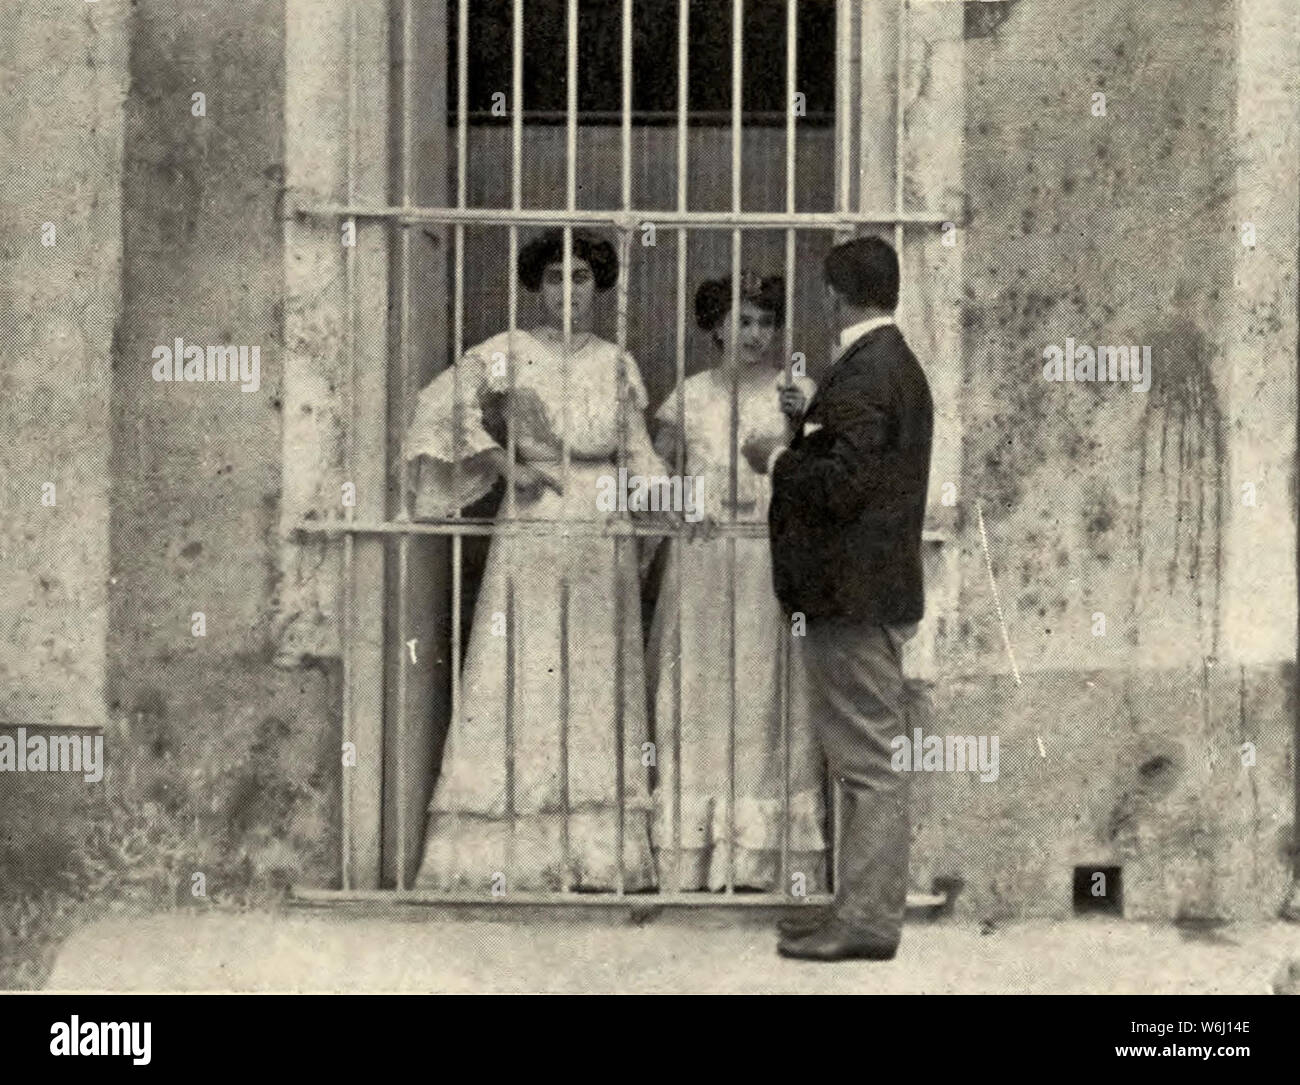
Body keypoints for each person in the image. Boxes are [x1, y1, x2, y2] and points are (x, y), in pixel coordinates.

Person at [405, 228, 667, 892]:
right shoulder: (507, 353)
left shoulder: (616, 362)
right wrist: (500, 460)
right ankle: (503, 856)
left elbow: (637, 454)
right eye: (555, 279)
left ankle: (598, 854)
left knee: (593, 679)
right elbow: (436, 409)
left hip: (600, 525)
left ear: (598, 286)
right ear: (537, 286)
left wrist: (683, 502)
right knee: (522, 666)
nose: (567, 291)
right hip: (535, 517)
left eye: (580, 278)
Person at [767, 236, 934, 960]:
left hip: (851, 598)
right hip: (868, 593)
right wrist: (812, 418)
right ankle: (856, 907)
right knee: (866, 760)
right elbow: (860, 457)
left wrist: (776, 459)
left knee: (866, 764)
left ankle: (865, 921)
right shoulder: (887, 363)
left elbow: (841, 485)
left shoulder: (867, 371)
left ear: (834, 294)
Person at [647, 271, 827, 892]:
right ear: (716, 325)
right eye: (742, 320)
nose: (755, 334)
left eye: (765, 322)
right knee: (700, 692)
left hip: (766, 561)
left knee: (763, 694)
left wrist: (803, 428)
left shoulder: (795, 392)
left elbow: (824, 475)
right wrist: (681, 500)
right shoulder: (688, 396)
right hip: (702, 563)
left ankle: (758, 857)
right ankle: (693, 853)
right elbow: (650, 478)